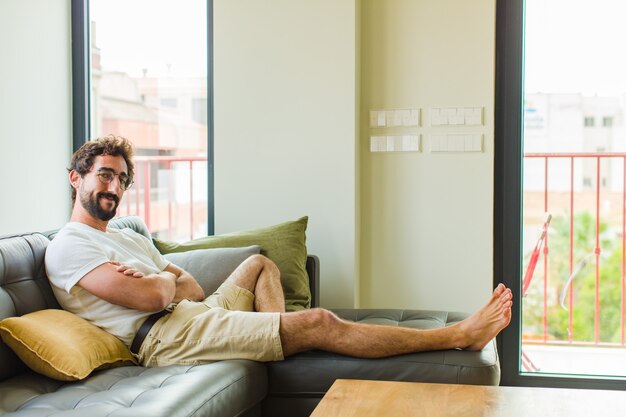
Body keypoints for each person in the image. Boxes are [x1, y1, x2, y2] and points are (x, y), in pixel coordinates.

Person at [45, 135, 513, 367]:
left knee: (259, 264)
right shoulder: (69, 245)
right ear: (77, 178)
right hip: (164, 339)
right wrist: (162, 285)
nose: (114, 186)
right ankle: (457, 336)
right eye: (105, 175)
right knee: (320, 321)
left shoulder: (125, 236)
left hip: (186, 313)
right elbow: (152, 298)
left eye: (122, 179)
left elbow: (188, 284)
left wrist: (161, 283)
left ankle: (276, 339)